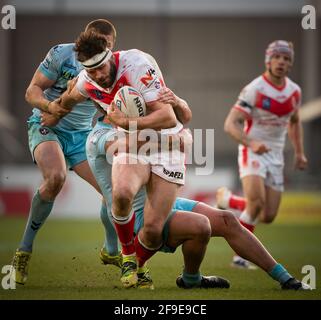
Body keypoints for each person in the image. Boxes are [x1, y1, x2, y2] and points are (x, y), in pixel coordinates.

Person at [84, 114, 310, 291]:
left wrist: (174, 126)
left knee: (227, 219)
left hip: (161, 202)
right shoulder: (100, 136)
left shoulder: (128, 128)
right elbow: (132, 145)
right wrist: (175, 137)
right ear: (108, 107)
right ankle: (173, 273)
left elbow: (179, 121)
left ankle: (286, 279)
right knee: (201, 226)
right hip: (141, 218)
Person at [46, 30, 192, 288]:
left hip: (162, 142)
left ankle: (142, 265)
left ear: (109, 56)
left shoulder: (137, 66)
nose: (99, 75)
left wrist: (125, 121)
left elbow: (169, 117)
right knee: (120, 195)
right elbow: (67, 100)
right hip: (131, 142)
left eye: (101, 67)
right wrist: (50, 115)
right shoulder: (85, 81)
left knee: (153, 229)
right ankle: (126, 257)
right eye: (91, 71)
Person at [10, 19, 121, 285]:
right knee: (56, 177)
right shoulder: (62, 53)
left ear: (112, 46)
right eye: (96, 42)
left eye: (106, 45)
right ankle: (23, 251)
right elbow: (32, 91)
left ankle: (111, 250)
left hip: (82, 137)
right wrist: (50, 108)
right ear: (84, 38)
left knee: (115, 192)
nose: (100, 50)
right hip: (46, 125)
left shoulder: (112, 68)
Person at [218, 40, 308, 269]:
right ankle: (240, 258)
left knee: (268, 215)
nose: (281, 62)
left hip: (276, 155)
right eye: (277, 57)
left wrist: (299, 152)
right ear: (268, 60)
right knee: (256, 204)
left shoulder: (294, 91)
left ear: (290, 64)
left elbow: (295, 122)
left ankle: (230, 201)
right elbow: (230, 124)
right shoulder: (255, 89)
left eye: (286, 59)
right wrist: (252, 142)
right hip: (252, 151)